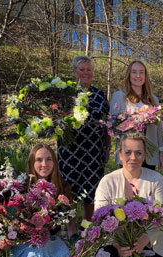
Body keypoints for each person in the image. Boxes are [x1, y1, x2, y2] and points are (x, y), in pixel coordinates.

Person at [0, 144, 76, 257]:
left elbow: (70, 223)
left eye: (48, 159)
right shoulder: (21, 186)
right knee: (30, 256)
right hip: (22, 241)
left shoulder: (62, 186)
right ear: (32, 162)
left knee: (60, 255)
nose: (44, 164)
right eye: (39, 160)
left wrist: (75, 241)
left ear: (55, 162)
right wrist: (2, 237)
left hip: (47, 239)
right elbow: (4, 216)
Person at [58, 55, 111, 221]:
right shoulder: (65, 94)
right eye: (82, 70)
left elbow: (108, 124)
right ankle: (71, 228)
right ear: (75, 72)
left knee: (91, 190)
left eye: (89, 69)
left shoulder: (100, 95)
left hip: (93, 151)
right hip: (69, 151)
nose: (86, 73)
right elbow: (56, 121)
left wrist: (107, 147)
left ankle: (87, 227)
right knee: (69, 191)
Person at [109, 60, 163, 170]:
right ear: (129, 75)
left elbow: (158, 129)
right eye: (134, 72)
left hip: (149, 154)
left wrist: (161, 152)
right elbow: (112, 127)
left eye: (141, 72)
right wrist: (136, 120)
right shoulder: (119, 97)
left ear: (145, 75)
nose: (138, 76)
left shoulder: (153, 100)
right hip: (128, 154)